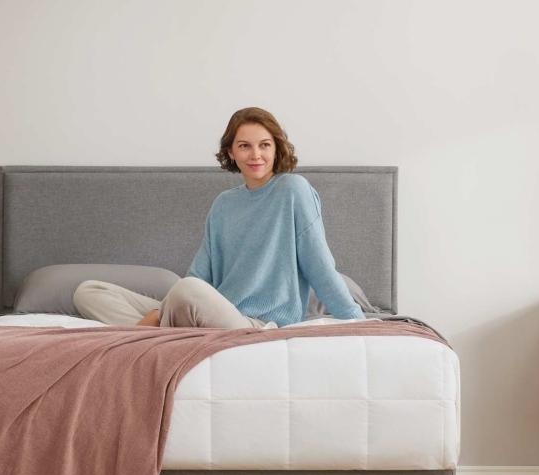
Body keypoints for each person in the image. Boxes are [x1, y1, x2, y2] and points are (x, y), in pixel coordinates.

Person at [74, 107, 364, 329]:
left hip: (256, 326)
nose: (256, 155)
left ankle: (148, 333)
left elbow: (322, 268)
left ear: (276, 148)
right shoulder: (224, 205)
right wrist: (163, 310)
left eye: (264, 145)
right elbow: (200, 276)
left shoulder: (293, 190)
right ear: (231, 152)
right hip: (213, 310)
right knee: (88, 291)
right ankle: (157, 331)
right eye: (244, 146)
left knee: (186, 291)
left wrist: (360, 324)